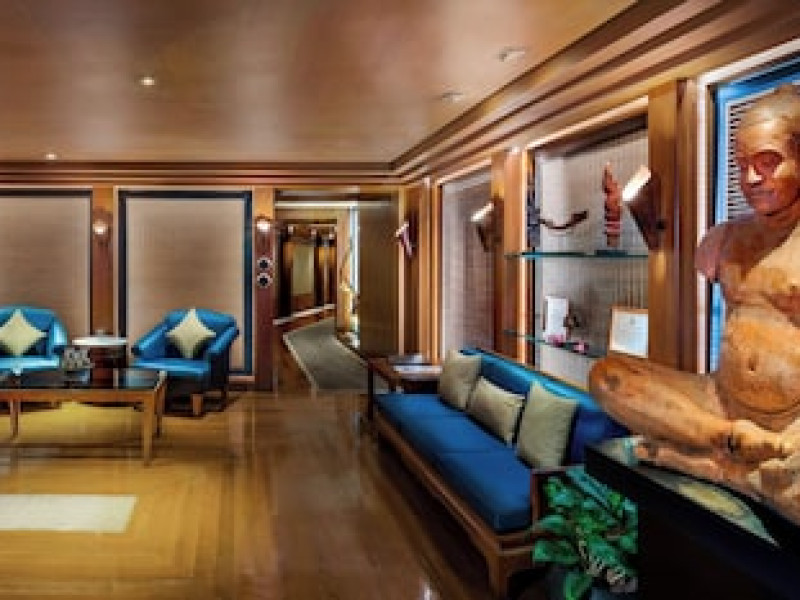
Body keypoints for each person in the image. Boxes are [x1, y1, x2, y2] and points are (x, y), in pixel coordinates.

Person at [588, 84, 800, 524]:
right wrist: (726, 426)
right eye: (742, 165)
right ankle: (729, 445)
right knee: (608, 377)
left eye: (768, 162)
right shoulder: (724, 239)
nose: (751, 179)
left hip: (791, 426)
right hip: (718, 402)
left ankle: (707, 462)